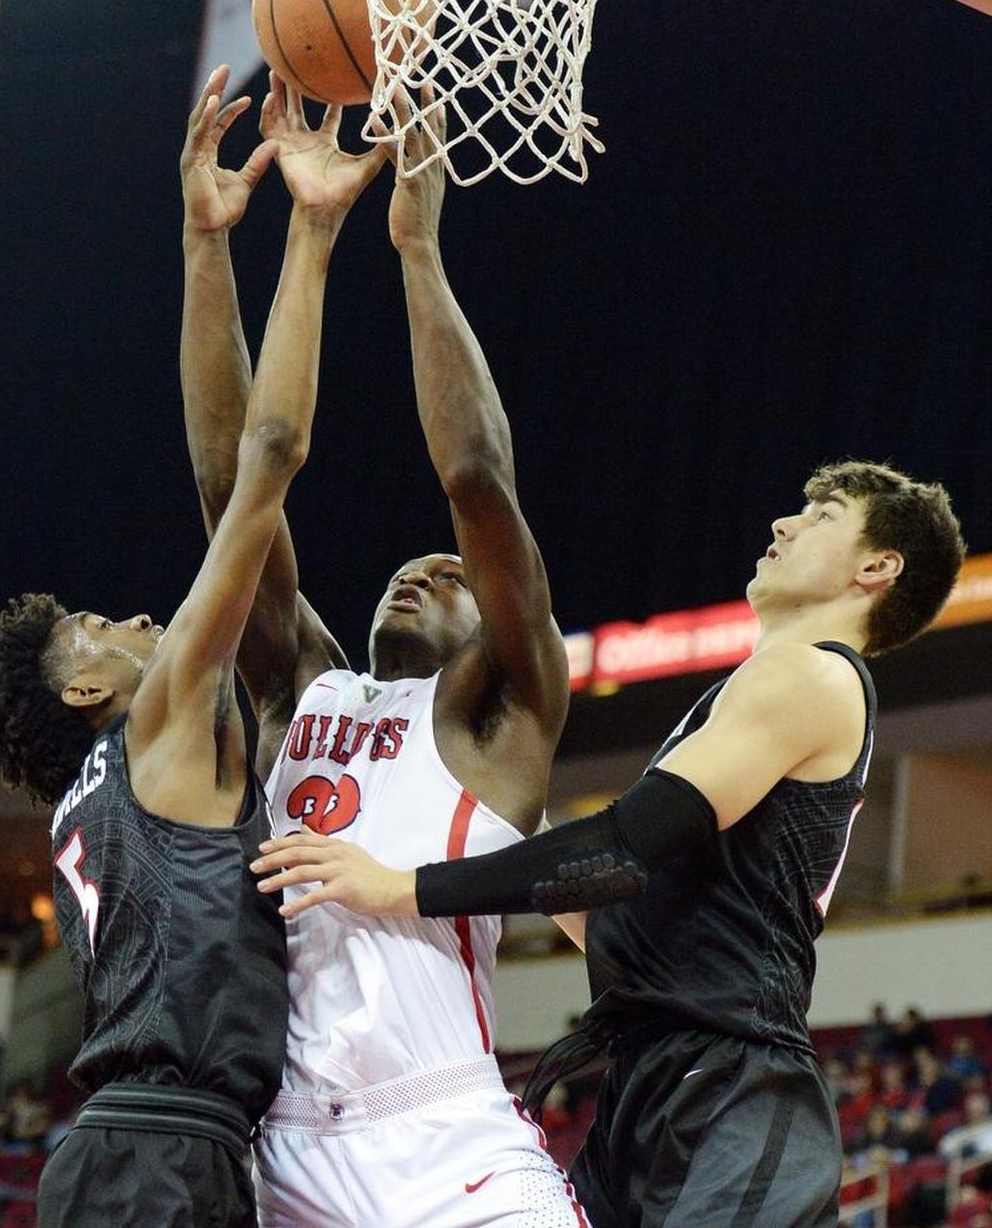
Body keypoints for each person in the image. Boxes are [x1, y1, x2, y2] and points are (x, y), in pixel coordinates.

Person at [253, 459, 965, 1227]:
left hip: (735, 1087)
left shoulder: (816, 676)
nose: (783, 525)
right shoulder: (751, 692)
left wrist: (403, 886)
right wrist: (503, 817)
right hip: (650, 1084)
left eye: (822, 516)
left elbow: (623, 847)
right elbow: (627, 914)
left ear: (877, 567)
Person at [0, 68, 379, 1228]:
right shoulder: (155, 729)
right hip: (164, 1154)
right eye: (102, 629)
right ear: (90, 687)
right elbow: (266, 460)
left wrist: (206, 244)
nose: (139, 619)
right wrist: (312, 231)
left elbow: (229, 476)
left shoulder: (108, 787)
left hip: (149, 1150)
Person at [182, 84, 590, 1226]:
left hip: (448, 1132)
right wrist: (216, 246)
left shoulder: (497, 715)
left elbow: (478, 481)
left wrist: (416, 247)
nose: (425, 571)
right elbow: (234, 487)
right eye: (412, 568)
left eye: (452, 576)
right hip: (286, 1146)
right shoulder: (302, 687)